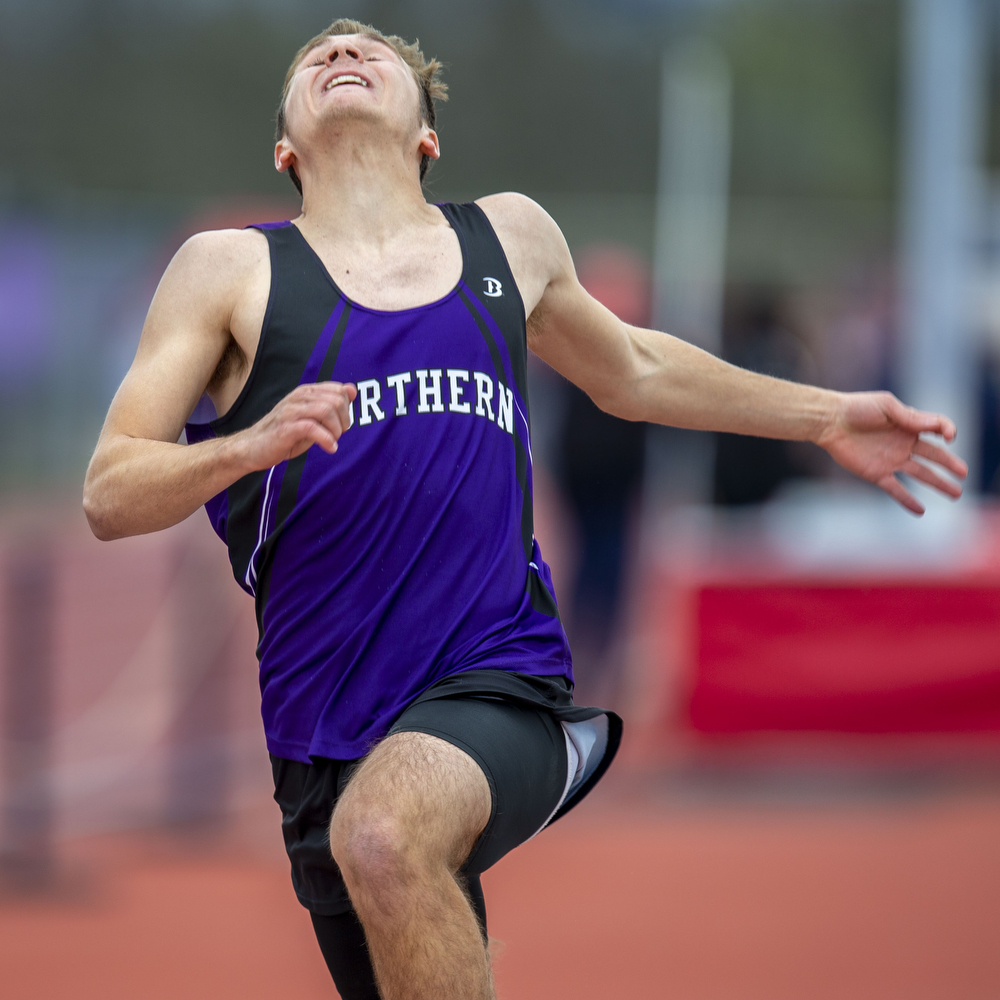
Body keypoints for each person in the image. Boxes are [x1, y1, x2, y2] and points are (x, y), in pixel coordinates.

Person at [82, 18, 968, 1000]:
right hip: (320, 727)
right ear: (284, 149)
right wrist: (246, 444)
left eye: (369, 51)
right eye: (314, 58)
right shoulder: (228, 271)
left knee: (382, 833)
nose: (340, 53)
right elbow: (109, 491)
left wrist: (826, 414)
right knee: (376, 861)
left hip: (496, 678)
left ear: (427, 135)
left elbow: (633, 366)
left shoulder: (506, 235)